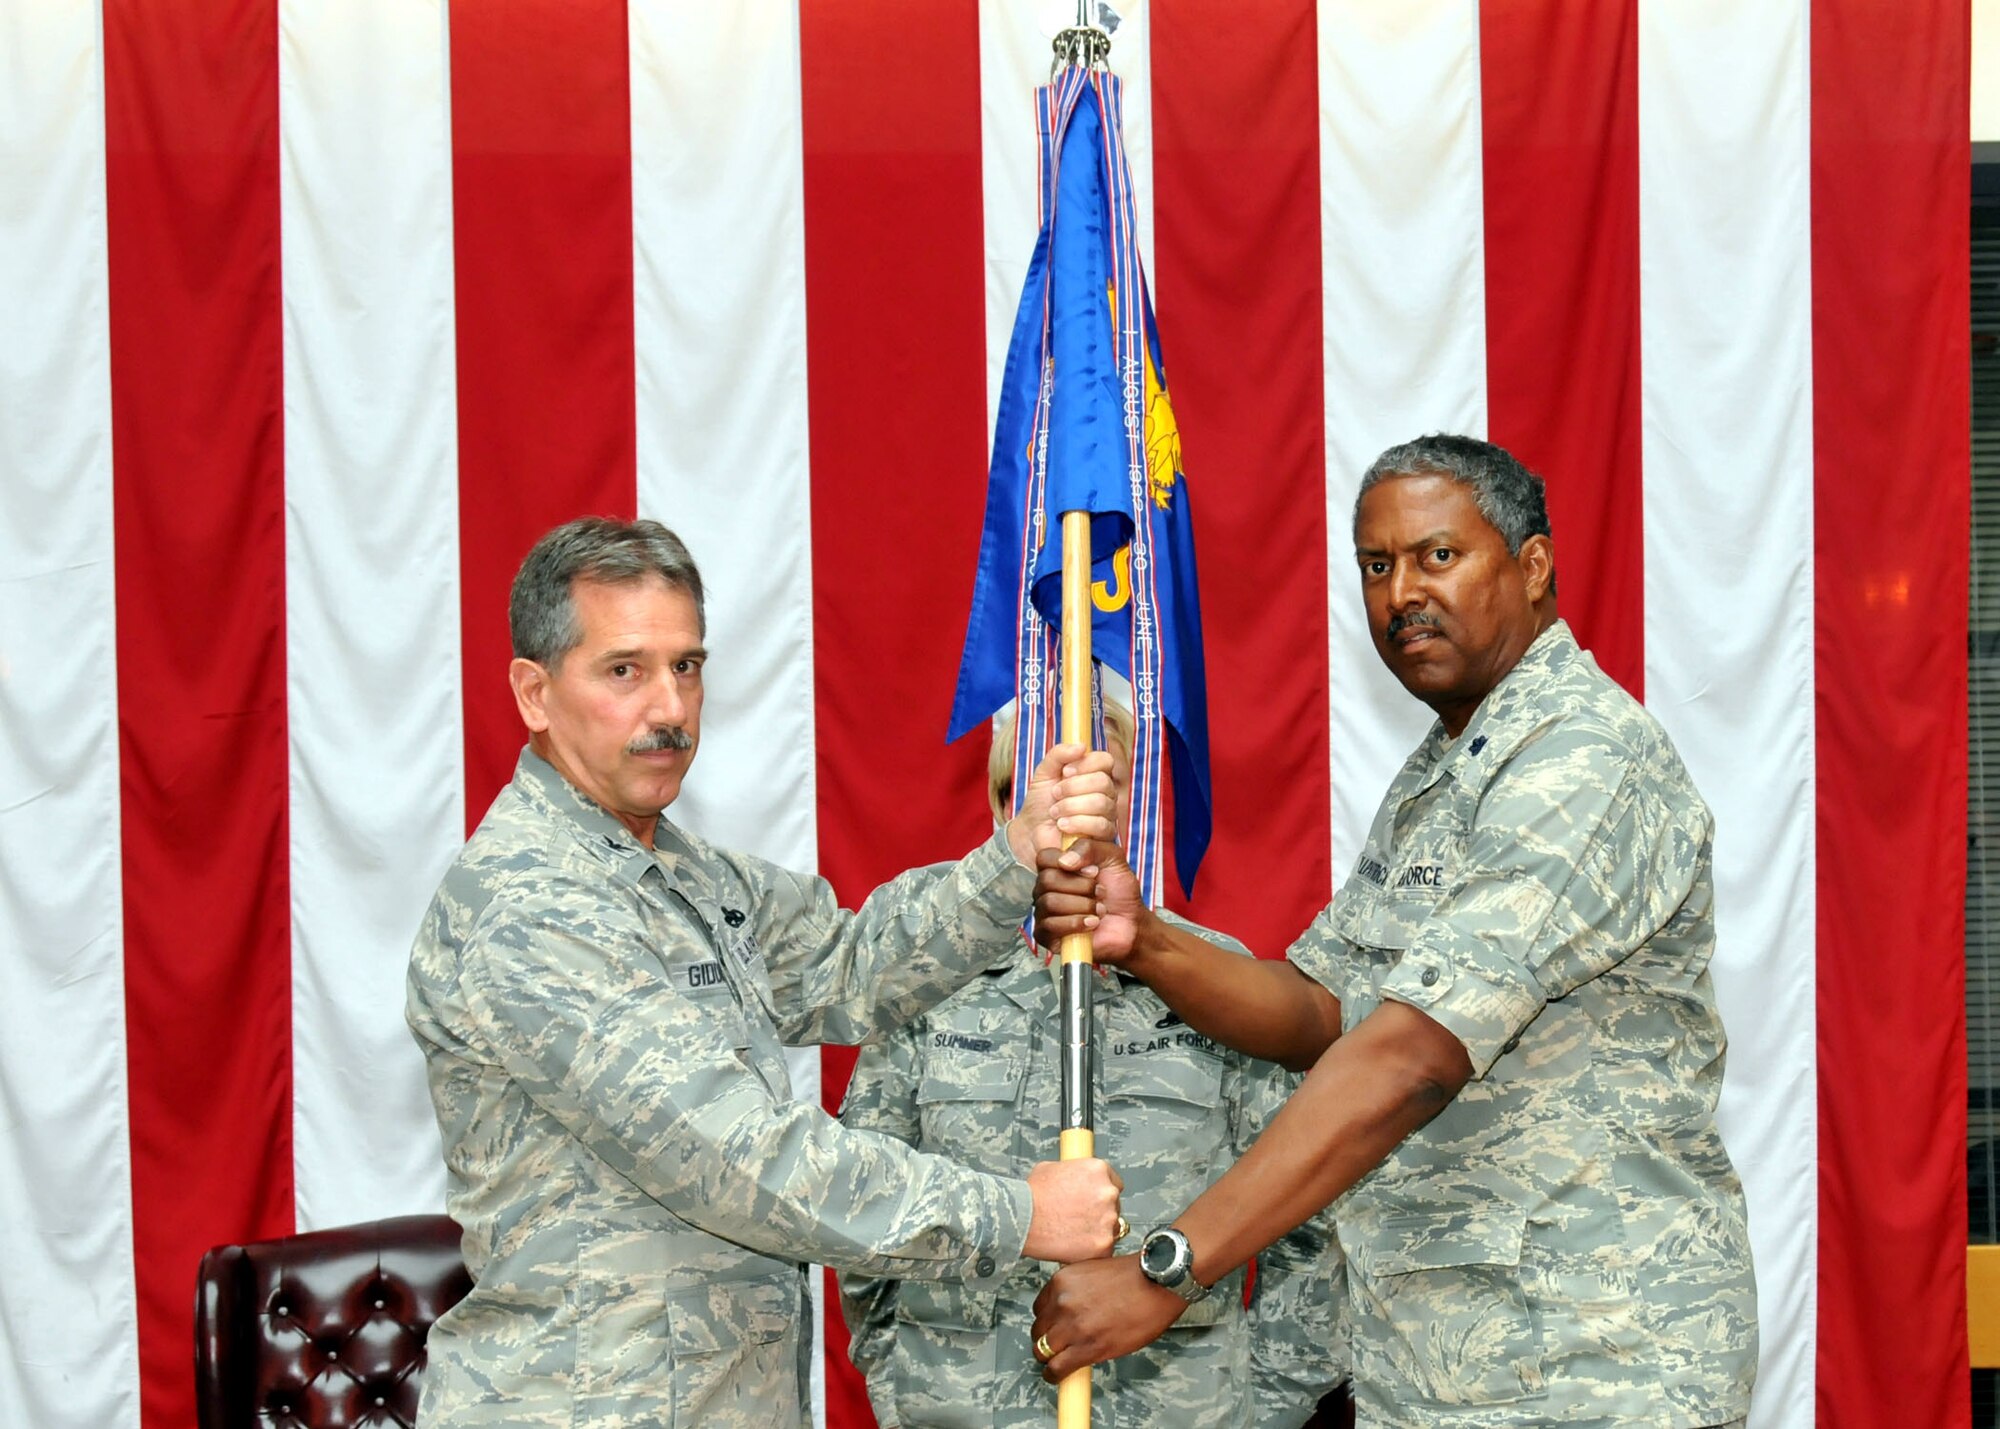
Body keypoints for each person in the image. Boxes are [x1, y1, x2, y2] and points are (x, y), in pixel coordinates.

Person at [1030, 435, 1758, 1429]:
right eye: (1377, 566)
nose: (1402, 592)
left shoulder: (1583, 757)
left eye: (1436, 556)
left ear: (1532, 567)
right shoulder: (1446, 769)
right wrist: (1144, 939)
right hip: (1441, 1368)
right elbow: (1322, 1007)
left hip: (1592, 1364)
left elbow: (1413, 1055)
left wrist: (1170, 1268)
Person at [406, 517, 1125, 1428]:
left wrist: (1015, 854)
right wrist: (1015, 1216)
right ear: (534, 692)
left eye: (687, 666)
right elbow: (742, 1158)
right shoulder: (529, 902)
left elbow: (849, 966)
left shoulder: (689, 874)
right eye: (624, 670)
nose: (669, 707)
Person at [837, 702, 1345, 1429]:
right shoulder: (931, 980)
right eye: (1037, 793)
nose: (1068, 819)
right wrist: (901, 1385)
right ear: (1001, 810)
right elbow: (864, 1195)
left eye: (1095, 792)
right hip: (962, 1408)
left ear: (1133, 806)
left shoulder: (1216, 983)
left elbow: (1307, 1206)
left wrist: (1264, 1402)